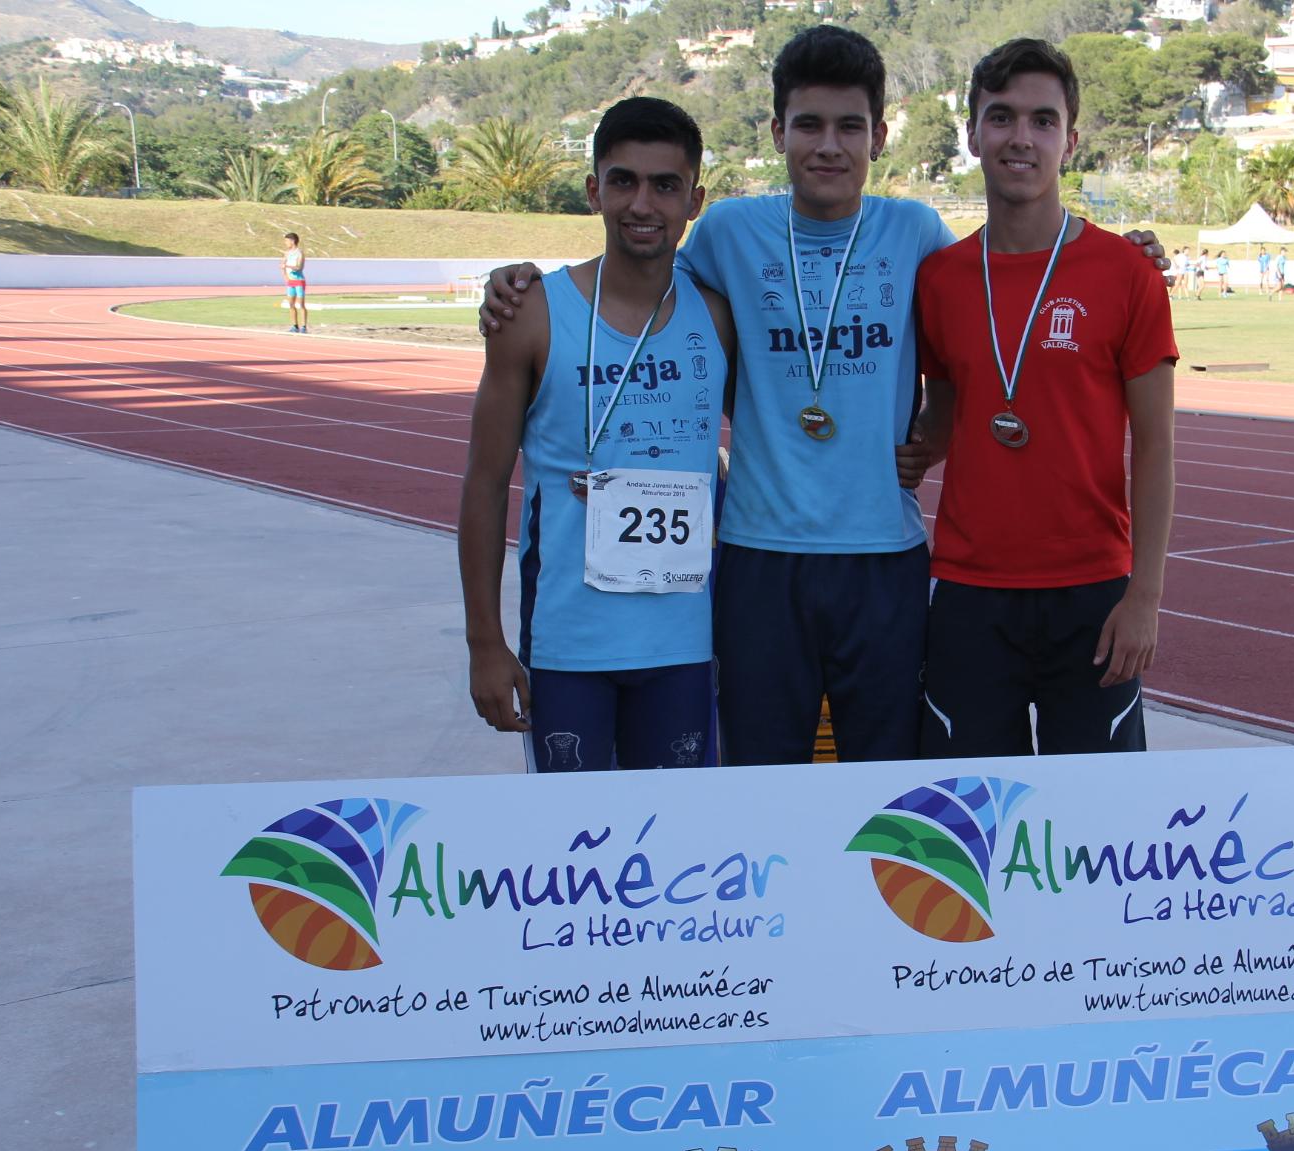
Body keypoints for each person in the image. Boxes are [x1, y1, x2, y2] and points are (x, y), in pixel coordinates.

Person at [480, 26, 1169, 766]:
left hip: (884, 560)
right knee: (764, 775)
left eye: (850, 127)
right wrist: (525, 283)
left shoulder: (917, 234)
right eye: (808, 125)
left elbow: (996, 302)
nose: (829, 146)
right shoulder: (728, 232)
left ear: (879, 136)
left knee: (883, 781)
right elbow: (639, 272)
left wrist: (1126, 254)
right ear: (778, 132)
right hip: (761, 560)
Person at [908, 38, 1177, 758]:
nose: (1021, 138)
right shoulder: (940, 278)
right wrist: (905, 453)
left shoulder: (1126, 272)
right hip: (970, 592)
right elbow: (944, 416)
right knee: (969, 813)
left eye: (1043, 120)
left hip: (1093, 593)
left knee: (1097, 818)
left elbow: (1156, 446)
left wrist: (1144, 597)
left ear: (1071, 140)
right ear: (973, 135)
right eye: (1000, 117)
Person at [457, 97, 735, 773]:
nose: (642, 204)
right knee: (570, 834)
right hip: (568, 645)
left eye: (665, 185)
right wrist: (485, 643)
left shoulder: (718, 318)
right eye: (623, 182)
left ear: (694, 200)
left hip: (684, 645)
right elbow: (485, 484)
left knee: (677, 832)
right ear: (593, 191)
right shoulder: (533, 312)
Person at [281, 232, 308, 333]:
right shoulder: (287, 253)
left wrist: (287, 266)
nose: (285, 243)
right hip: (290, 282)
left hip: (299, 281)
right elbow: (282, 265)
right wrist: (285, 277)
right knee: (291, 304)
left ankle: (304, 326)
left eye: (287, 241)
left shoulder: (299, 253)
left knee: (301, 304)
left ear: (292, 241)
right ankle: (295, 326)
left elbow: (299, 267)